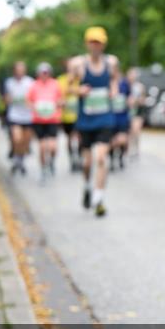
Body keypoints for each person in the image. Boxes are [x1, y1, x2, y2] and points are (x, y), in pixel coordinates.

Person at [75, 26, 119, 217]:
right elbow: (68, 87)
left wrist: (114, 90)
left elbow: (116, 80)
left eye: (99, 42)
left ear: (103, 44)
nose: (95, 46)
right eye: (92, 42)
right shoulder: (78, 65)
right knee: (87, 163)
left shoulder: (111, 63)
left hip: (104, 118)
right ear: (87, 43)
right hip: (86, 120)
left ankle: (98, 198)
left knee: (102, 157)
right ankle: (87, 186)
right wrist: (79, 91)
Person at [27, 62, 62, 182]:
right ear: (38, 74)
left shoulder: (55, 84)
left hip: (52, 119)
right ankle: (43, 170)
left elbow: (61, 100)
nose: (44, 75)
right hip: (39, 120)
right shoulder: (34, 85)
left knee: (53, 147)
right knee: (42, 147)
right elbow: (28, 101)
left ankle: (51, 161)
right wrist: (35, 107)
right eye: (42, 73)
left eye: (46, 73)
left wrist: (58, 104)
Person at [4, 61, 34, 175]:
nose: (20, 72)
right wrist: (10, 100)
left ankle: (20, 161)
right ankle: (16, 158)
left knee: (25, 142)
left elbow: (34, 97)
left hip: (28, 116)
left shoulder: (30, 82)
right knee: (17, 139)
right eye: (18, 69)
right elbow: (6, 98)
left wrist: (30, 103)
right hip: (14, 115)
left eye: (22, 69)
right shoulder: (9, 83)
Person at [56, 57, 82, 171]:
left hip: (80, 115)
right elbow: (60, 95)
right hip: (66, 115)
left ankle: (80, 158)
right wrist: (70, 84)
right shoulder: (61, 80)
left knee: (80, 137)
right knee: (70, 138)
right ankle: (72, 160)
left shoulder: (81, 79)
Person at [110, 67, 130, 171]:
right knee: (111, 139)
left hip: (122, 116)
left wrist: (129, 101)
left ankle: (121, 156)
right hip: (111, 117)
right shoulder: (107, 83)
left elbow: (129, 96)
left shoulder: (124, 83)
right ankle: (112, 159)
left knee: (122, 139)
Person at [127, 67, 146, 160]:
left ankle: (136, 149)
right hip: (127, 111)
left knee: (136, 130)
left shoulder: (140, 86)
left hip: (137, 111)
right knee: (129, 132)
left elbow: (143, 100)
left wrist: (136, 101)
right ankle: (129, 148)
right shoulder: (125, 85)